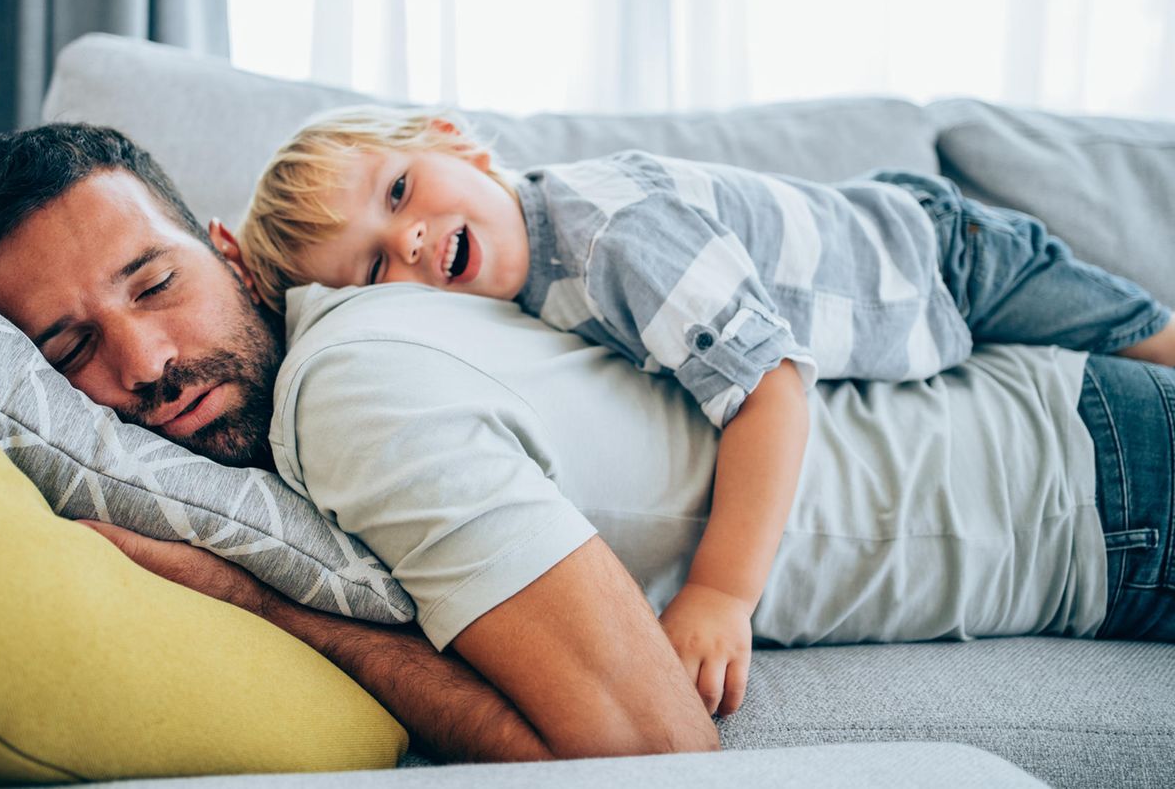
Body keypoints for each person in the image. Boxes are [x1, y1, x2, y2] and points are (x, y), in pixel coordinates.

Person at [0, 122, 1174, 764]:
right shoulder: (371, 326)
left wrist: (261, 603)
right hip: (1085, 460)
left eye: (154, 283)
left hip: (1109, 488)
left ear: (230, 253)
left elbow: (646, 758)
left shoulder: (351, 394)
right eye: (65, 354)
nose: (143, 367)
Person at [232, 105, 1175, 716]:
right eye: (371, 269)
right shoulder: (505, 301)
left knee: (1144, 332)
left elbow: (772, 391)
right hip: (910, 286)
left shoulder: (612, 241)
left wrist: (721, 595)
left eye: (400, 192)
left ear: (458, 143)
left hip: (946, 257)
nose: (413, 240)